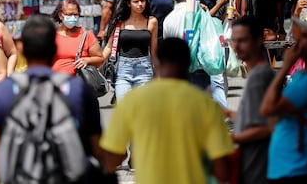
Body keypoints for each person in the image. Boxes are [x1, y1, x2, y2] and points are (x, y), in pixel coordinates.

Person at [0, 14, 103, 184]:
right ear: (54, 49)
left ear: (21, 50)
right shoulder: (78, 90)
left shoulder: (0, 93)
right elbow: (98, 150)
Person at [100, 37, 234, 184]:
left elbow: (112, 158)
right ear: (189, 63)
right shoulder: (206, 104)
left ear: (156, 63)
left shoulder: (132, 101)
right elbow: (222, 170)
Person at [260, 16, 307, 184]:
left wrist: (285, 67)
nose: (299, 41)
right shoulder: (302, 75)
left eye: (306, 37)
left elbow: (268, 108)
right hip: (288, 169)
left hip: (301, 171)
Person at [227, 16, 274, 184]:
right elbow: (255, 118)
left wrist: (229, 138)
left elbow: (266, 128)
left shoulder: (259, 77)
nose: (236, 46)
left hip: (257, 168)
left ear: (259, 40)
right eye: (233, 40)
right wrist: (228, 113)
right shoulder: (257, 74)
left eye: (243, 40)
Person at [103, 0, 157, 102]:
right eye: (136, 1)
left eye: (142, 1)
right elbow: (109, 47)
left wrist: (158, 72)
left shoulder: (151, 21)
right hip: (123, 70)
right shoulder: (120, 21)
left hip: (145, 70)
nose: (140, 4)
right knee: (124, 108)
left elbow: (154, 50)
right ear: (128, 3)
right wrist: (95, 64)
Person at [163, 0, 211, 90]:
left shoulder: (168, 19)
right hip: (200, 67)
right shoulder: (199, 13)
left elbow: (168, 48)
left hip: (178, 69)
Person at [51, 0, 104, 75]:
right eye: (69, 14)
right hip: (55, 81)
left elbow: (100, 59)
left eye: (75, 14)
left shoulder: (86, 35)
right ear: (60, 15)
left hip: (78, 83)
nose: (72, 17)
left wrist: (87, 60)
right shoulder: (52, 35)